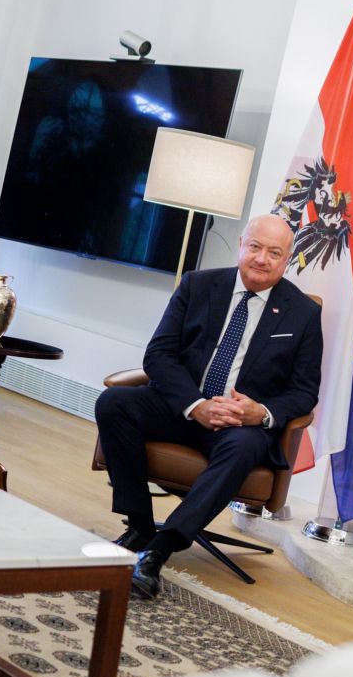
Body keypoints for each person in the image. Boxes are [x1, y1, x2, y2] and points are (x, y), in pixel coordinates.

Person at [94, 214, 324, 599]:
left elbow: (304, 392)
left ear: (287, 261)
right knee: (115, 403)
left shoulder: (303, 313)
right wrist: (195, 404)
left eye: (274, 253)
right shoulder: (198, 285)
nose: (262, 259)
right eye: (255, 247)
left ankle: (158, 550)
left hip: (238, 425)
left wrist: (260, 412)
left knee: (246, 446)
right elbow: (160, 355)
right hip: (183, 407)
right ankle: (139, 523)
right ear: (240, 245)